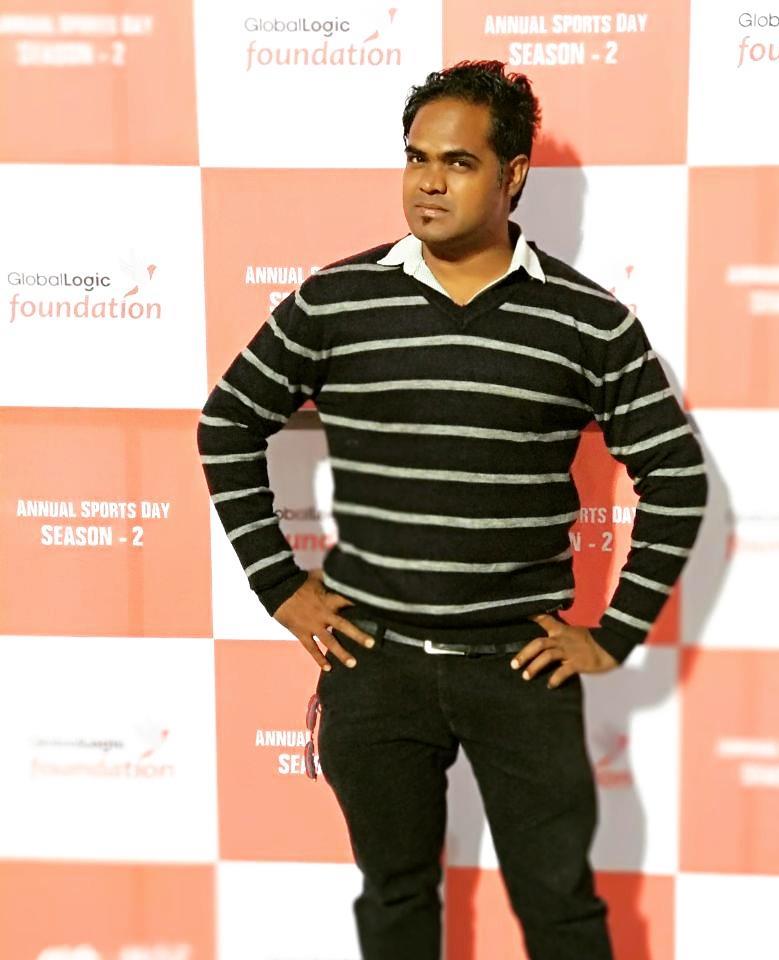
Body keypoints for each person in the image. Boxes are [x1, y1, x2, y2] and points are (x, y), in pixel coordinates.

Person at [197, 59, 708, 960]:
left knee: (560, 912)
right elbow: (228, 423)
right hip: (374, 666)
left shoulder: (587, 321)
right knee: (394, 901)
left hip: (520, 670)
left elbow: (676, 474)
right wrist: (280, 586)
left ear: (513, 174)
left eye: (459, 162)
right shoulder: (337, 300)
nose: (428, 181)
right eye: (416, 157)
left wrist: (614, 633)